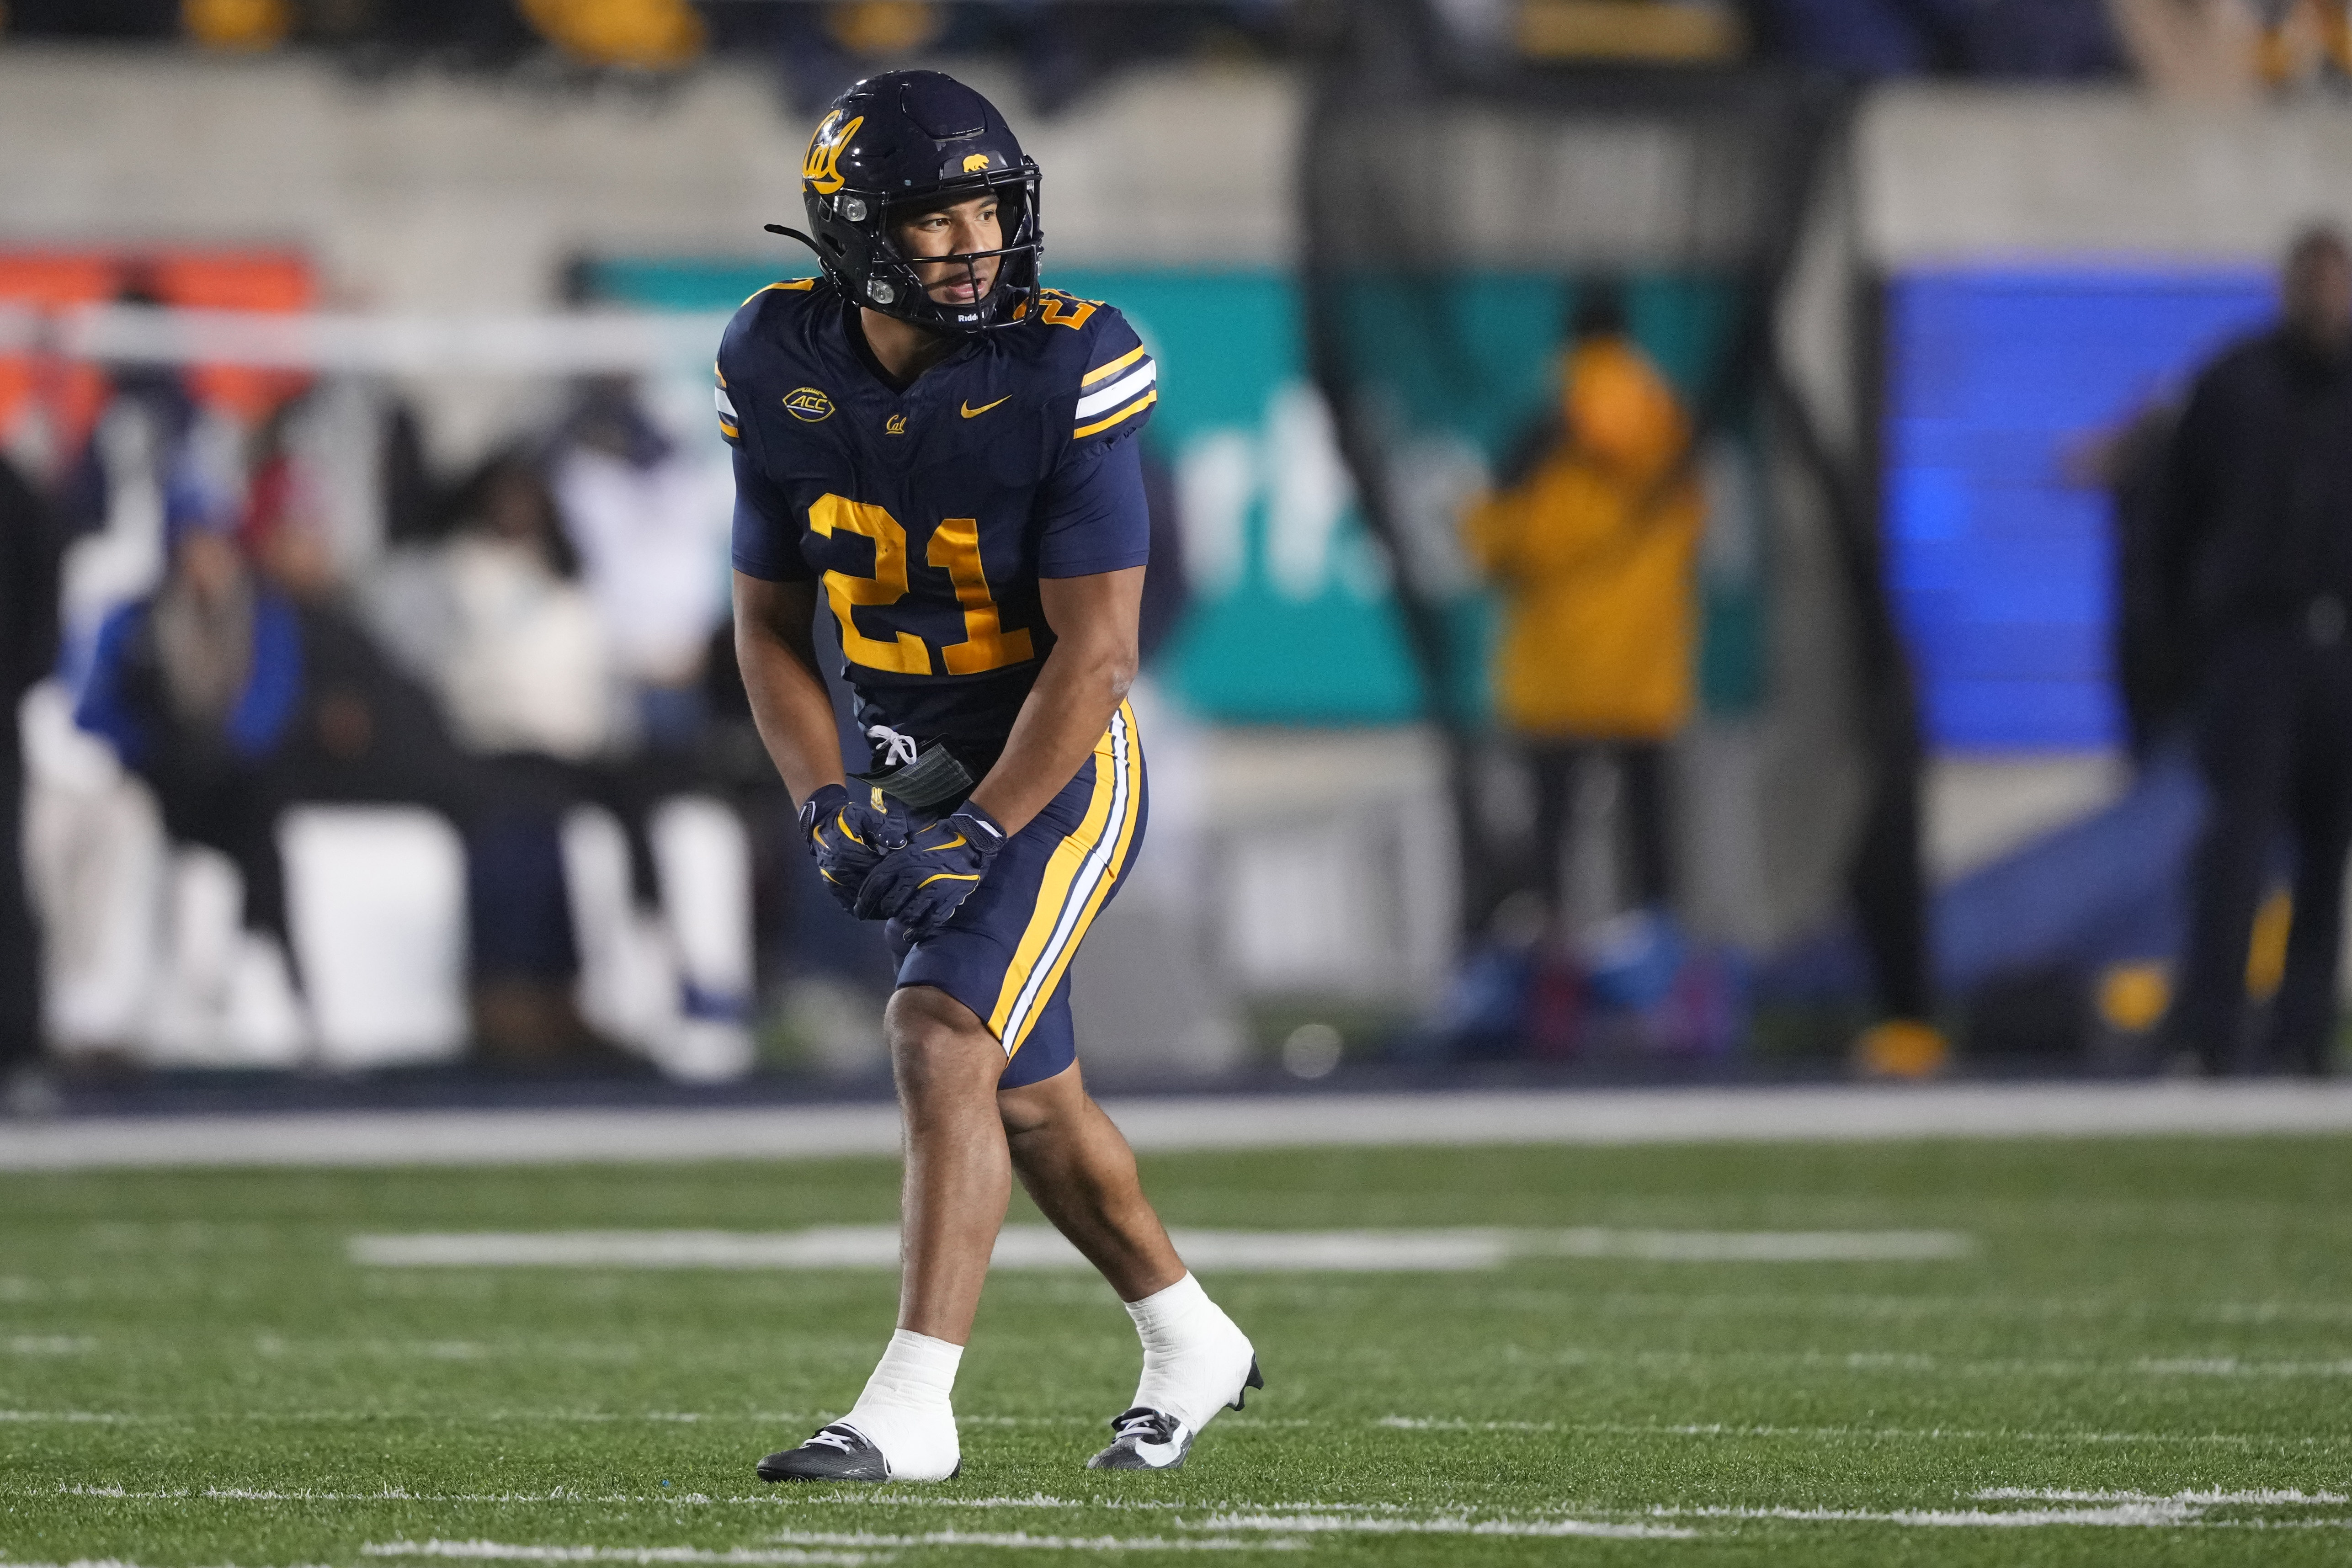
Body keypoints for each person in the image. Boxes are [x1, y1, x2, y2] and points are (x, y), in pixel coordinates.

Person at [725, 69, 1259, 1482]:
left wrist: (982, 825)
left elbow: (1096, 659)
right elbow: (769, 625)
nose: (969, 241)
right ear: (851, 234)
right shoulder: (771, 358)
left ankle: (912, 1409)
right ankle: (1190, 1335)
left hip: (1057, 760)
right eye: (930, 215)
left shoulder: (1067, 363)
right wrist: (826, 793)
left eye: (984, 207)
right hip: (908, 763)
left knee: (936, 1032)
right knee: (1025, 1095)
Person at [2160, 225, 2352, 1077]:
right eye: (2311, 282)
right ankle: (2212, 1028)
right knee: (2236, 848)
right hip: (2257, 645)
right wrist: (2188, 640)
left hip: (2341, 645)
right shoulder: (2236, 383)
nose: (2324, 300)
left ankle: (2302, 1032)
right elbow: (2175, 514)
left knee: (2326, 849)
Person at [1461, 284, 1702, 929]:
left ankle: (1552, 952)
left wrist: (1490, 521)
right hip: (1643, 668)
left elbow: (1501, 545)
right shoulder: (1665, 423)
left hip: (1559, 669)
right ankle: (1659, 944)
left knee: (1554, 835)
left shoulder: (1543, 428)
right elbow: (1694, 527)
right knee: (1649, 831)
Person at [1, 450, 63, 1105]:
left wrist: (18, 680)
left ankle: (17, 1049)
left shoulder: (14, 491)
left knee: (5, 886)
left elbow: (42, 598)